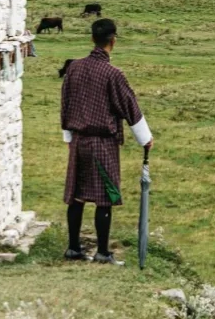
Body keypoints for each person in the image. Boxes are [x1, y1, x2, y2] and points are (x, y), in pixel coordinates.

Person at [60, 18, 153, 264]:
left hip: (78, 140)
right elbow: (129, 106)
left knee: (77, 194)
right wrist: (145, 138)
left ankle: (73, 248)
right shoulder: (113, 74)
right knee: (105, 194)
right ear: (113, 40)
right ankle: (102, 252)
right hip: (103, 142)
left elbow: (65, 102)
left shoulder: (74, 67)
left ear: (92, 38)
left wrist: (68, 135)